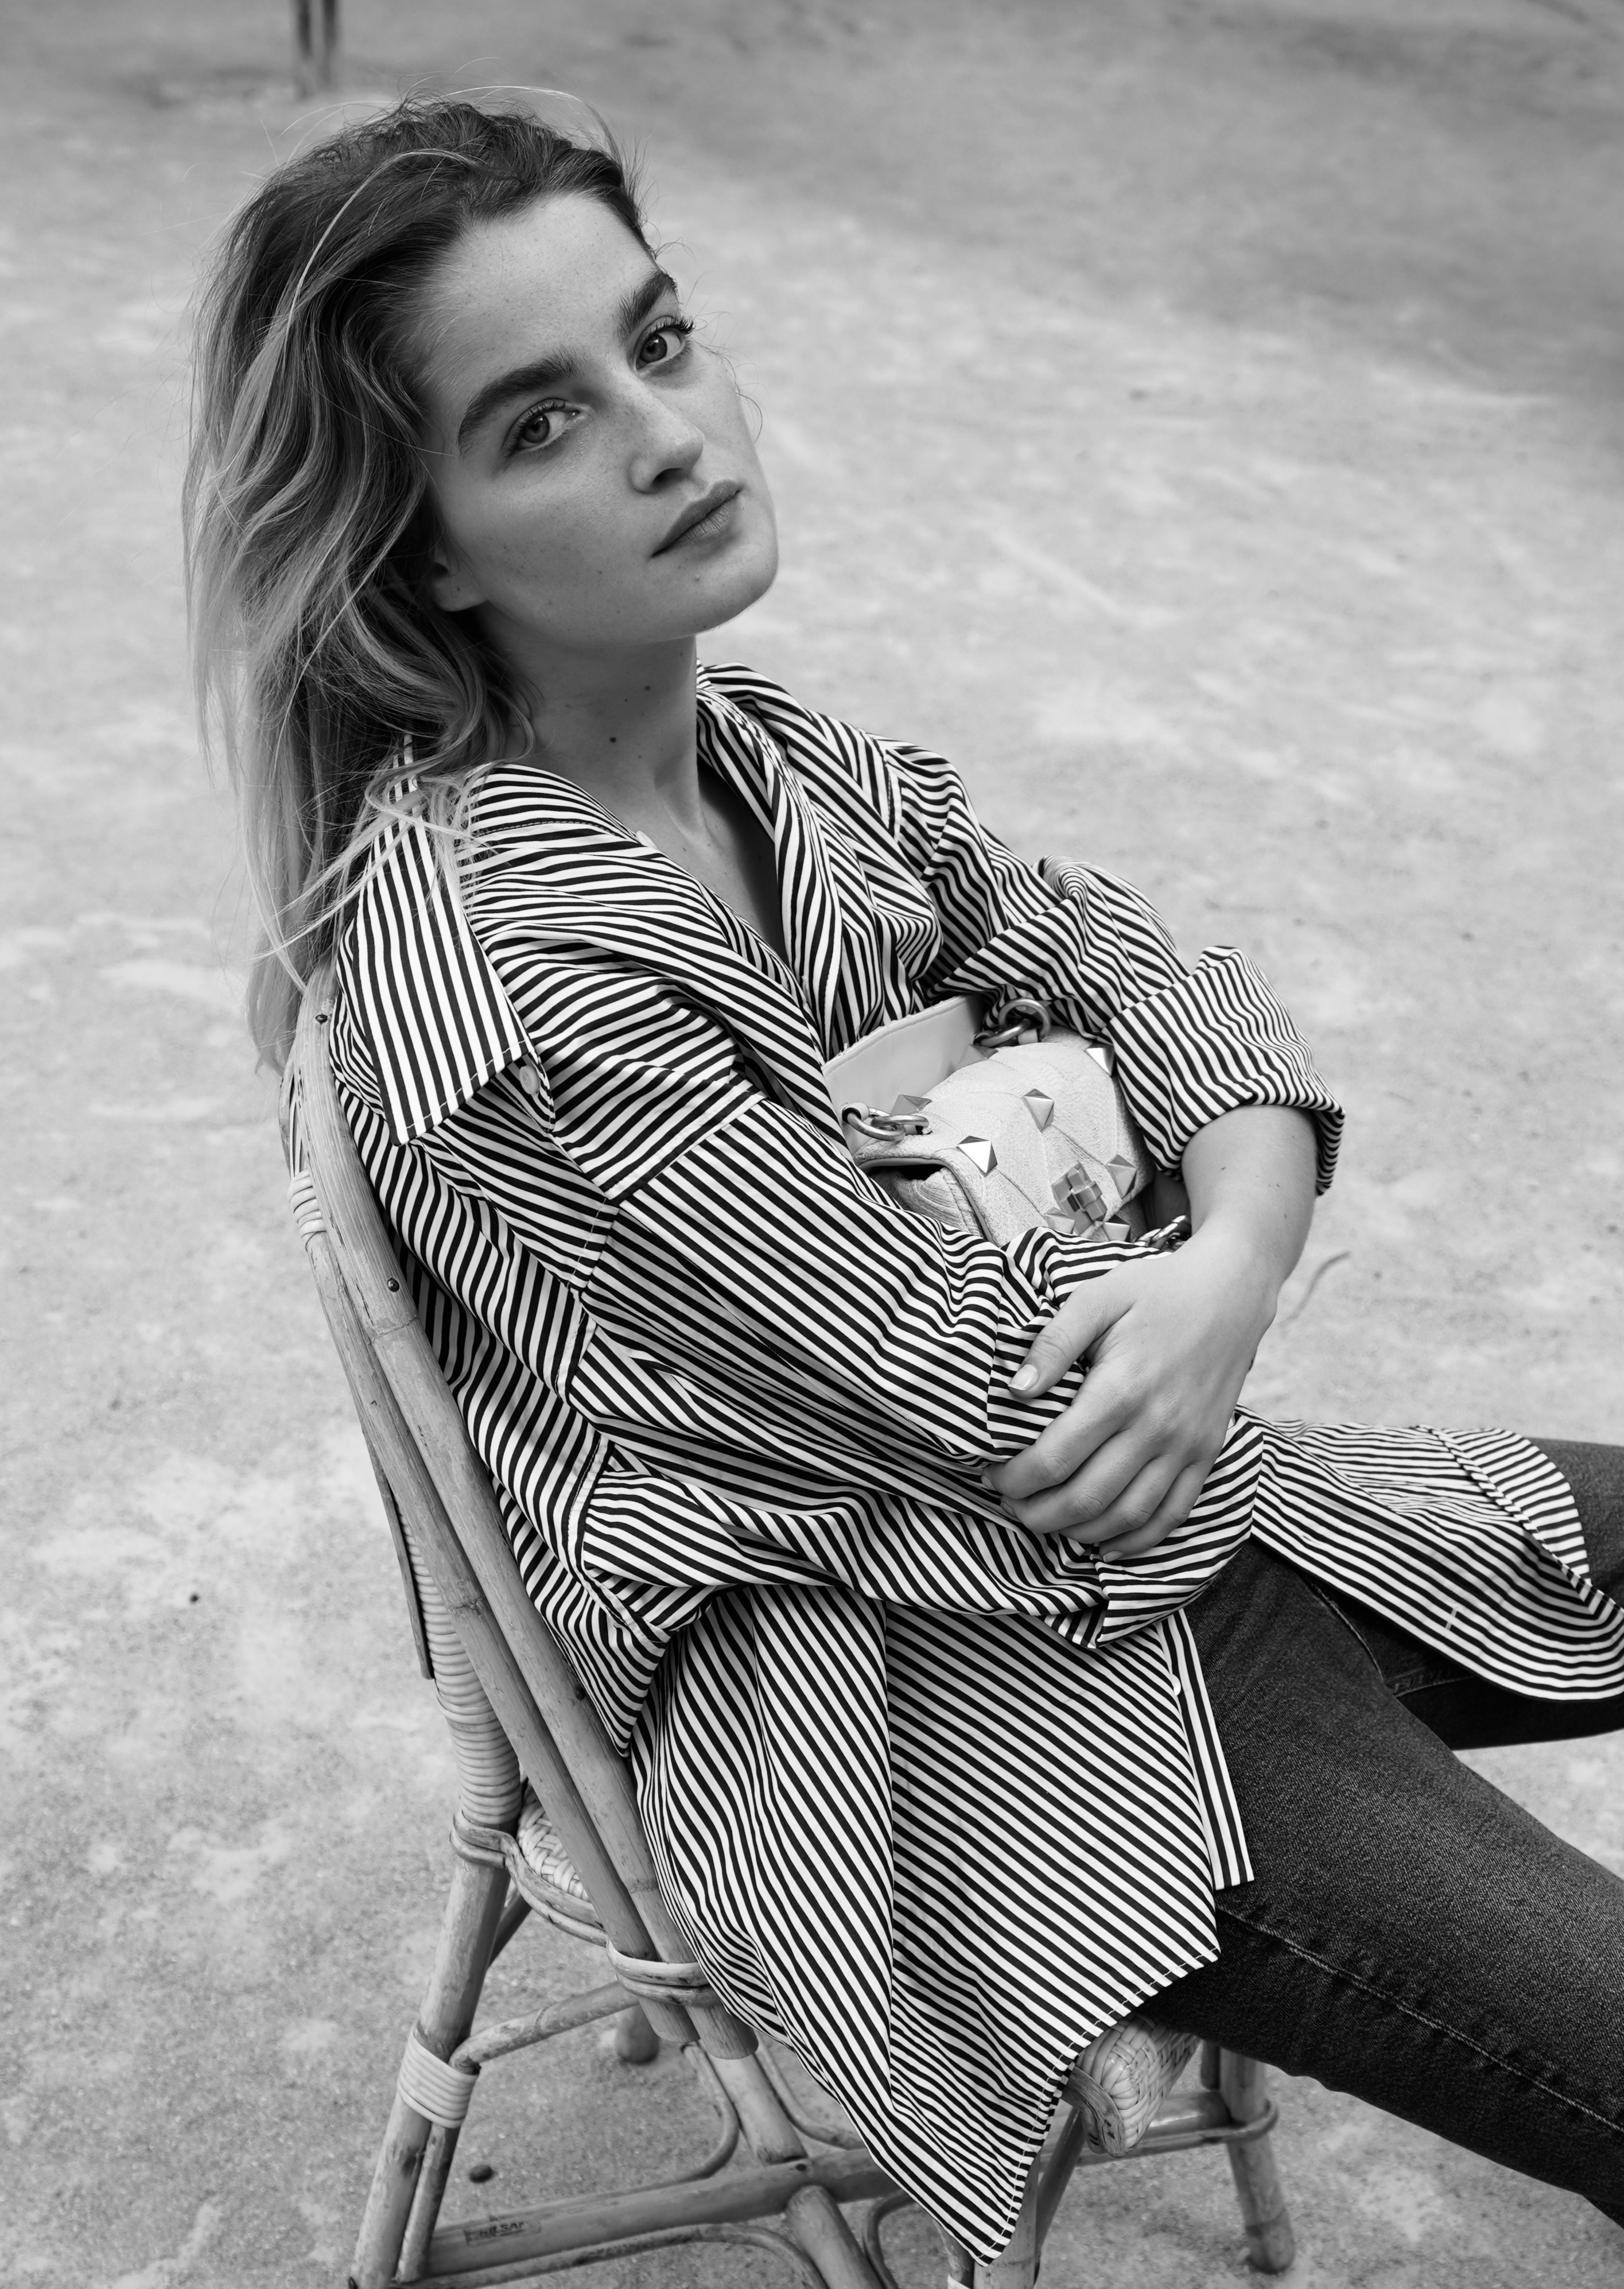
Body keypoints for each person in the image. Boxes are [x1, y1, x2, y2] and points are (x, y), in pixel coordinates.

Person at [184, 97, 1624, 2264]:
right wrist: (1150, 1253)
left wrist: (1223, 1258)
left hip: (1168, 1525)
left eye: (661, 341)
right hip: (938, 1712)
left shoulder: (779, 758)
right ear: (430, 550)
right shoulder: (501, 986)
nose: (669, 436)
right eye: (543, 422)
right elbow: (1008, 1395)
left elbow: (1139, 967)